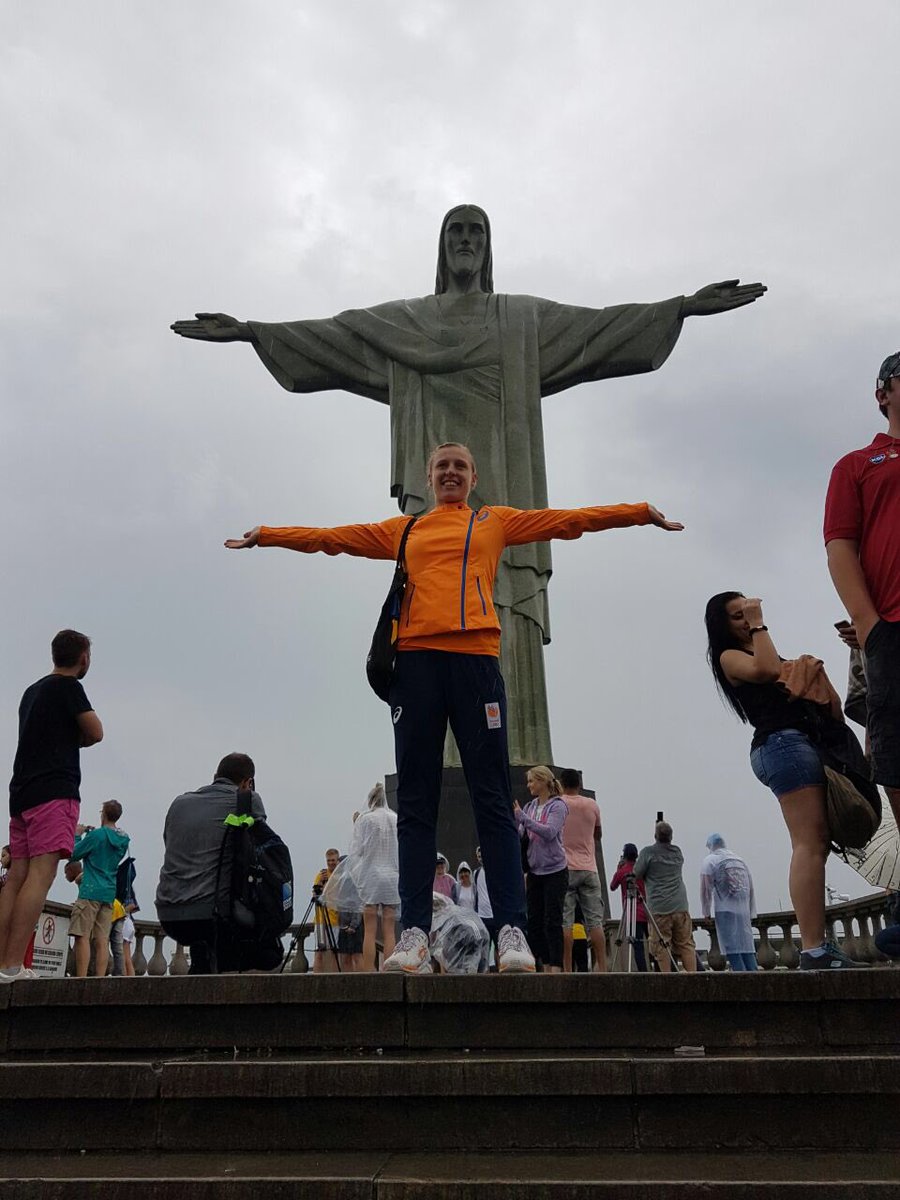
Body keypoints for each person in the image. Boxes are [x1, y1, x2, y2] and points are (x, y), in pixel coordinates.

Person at [174, 204, 764, 766]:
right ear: (441, 245)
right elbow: (334, 337)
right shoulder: (405, 322)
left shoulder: (522, 319)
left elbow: (600, 328)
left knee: (505, 606)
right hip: (431, 514)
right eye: (455, 230)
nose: (464, 241)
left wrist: (681, 307)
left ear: (487, 248)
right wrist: (252, 331)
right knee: (432, 607)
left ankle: (521, 759)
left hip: (508, 485)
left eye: (475, 232)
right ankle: (448, 760)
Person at [225, 440, 684, 975]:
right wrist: (269, 536)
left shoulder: (494, 522)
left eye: (459, 466)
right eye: (442, 466)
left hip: (476, 665)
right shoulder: (406, 530)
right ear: (428, 477)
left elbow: (565, 521)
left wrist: (637, 513)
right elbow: (335, 539)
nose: (450, 473)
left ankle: (511, 932)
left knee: (492, 798)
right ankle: (415, 934)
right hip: (416, 668)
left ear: (472, 477)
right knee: (416, 804)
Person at [704, 592, 863, 970]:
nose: (747, 619)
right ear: (722, 625)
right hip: (782, 745)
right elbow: (767, 671)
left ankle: (818, 945)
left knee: (817, 842)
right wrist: (759, 623)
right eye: (737, 615)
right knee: (808, 842)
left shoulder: (754, 650)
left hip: (793, 745)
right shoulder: (730, 656)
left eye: (748, 612)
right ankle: (813, 949)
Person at [0, 630, 103, 983]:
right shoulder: (69, 687)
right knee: (40, 876)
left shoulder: (32, 692)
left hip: (22, 792)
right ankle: (13, 965)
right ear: (83, 657)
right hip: (54, 791)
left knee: (15, 878)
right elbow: (96, 731)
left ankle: (2, 963)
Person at [825, 351, 900, 831]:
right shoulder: (858, 464)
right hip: (892, 625)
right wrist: (870, 624)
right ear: (883, 394)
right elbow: (841, 546)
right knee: (895, 753)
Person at [155, 753, 270, 975]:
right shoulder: (247, 799)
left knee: (204, 956)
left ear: (215, 776)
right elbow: (259, 848)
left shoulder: (179, 802)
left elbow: (170, 843)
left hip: (170, 913)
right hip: (215, 914)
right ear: (248, 782)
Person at [515, 766, 569, 973]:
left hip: (555, 871)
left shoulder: (558, 806)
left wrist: (523, 818)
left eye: (531, 781)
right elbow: (522, 833)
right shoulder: (529, 806)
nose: (529, 785)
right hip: (535, 871)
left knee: (552, 920)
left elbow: (550, 832)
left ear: (543, 781)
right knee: (535, 921)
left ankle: (556, 966)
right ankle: (544, 964)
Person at [68, 801, 130, 978]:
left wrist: (77, 835)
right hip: (109, 893)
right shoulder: (123, 839)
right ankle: (100, 979)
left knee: (82, 936)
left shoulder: (97, 835)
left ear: (103, 814)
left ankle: (81, 979)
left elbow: (73, 854)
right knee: (102, 940)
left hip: (90, 890)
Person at [558, 767, 606, 973]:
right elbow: (598, 834)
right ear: (579, 783)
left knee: (565, 921)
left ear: (561, 783)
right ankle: (602, 967)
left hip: (565, 867)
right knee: (595, 921)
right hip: (589, 867)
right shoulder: (591, 804)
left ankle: (567, 967)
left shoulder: (557, 804)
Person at [347, 783, 399, 971]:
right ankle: (389, 969)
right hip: (391, 876)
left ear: (370, 800)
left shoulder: (365, 819)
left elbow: (357, 851)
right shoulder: (395, 818)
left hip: (371, 875)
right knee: (389, 928)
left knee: (369, 929)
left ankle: (369, 969)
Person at [634, 822, 697, 973]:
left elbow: (637, 874)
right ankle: (694, 977)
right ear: (671, 836)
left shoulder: (648, 853)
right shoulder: (677, 852)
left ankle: (666, 979)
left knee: (661, 945)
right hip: (680, 905)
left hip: (659, 906)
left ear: (655, 836)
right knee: (686, 944)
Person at [699, 833, 758, 972]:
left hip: (725, 910)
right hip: (743, 912)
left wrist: (706, 912)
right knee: (747, 949)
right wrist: (751, 911)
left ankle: (742, 980)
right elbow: (750, 888)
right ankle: (756, 980)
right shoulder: (739, 860)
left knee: (733, 949)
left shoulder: (710, 861)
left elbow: (705, 890)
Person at [610, 843, 649, 972]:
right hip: (646, 911)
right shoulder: (640, 870)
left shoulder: (622, 872)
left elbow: (612, 886)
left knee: (638, 946)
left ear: (624, 856)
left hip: (632, 914)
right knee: (654, 944)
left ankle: (643, 974)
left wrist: (618, 869)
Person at [311, 848, 341, 973]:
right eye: (329, 861)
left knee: (334, 952)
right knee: (319, 951)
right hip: (321, 919)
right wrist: (322, 885)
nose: (331, 863)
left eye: (333, 860)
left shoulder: (340, 876)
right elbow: (315, 896)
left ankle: (334, 978)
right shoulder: (321, 875)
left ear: (338, 860)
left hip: (334, 919)